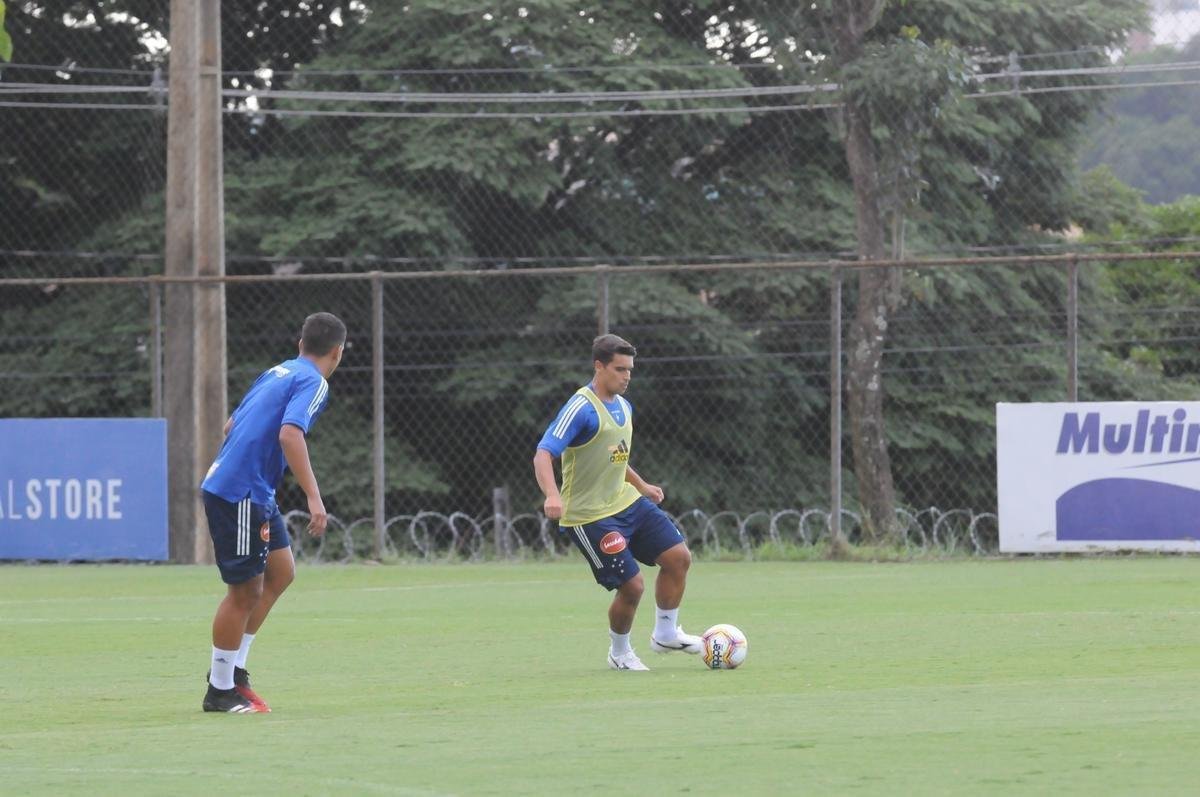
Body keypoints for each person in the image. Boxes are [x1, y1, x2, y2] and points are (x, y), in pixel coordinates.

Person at [199, 312, 346, 712]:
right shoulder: (314, 382)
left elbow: (231, 426)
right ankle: (219, 689)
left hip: (250, 489)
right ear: (338, 352)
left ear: (301, 345)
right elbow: (289, 433)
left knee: (281, 572)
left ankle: (236, 671)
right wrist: (314, 497)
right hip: (241, 492)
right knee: (245, 591)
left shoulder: (278, 371)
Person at [533, 333, 702, 670]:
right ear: (599, 366)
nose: (626, 376)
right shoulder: (581, 408)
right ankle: (620, 653)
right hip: (591, 517)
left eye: (630, 370)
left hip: (627, 503)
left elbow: (616, 457)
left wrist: (642, 486)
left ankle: (666, 634)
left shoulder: (624, 406)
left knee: (678, 557)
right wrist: (552, 494)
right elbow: (543, 453)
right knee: (633, 586)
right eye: (619, 369)